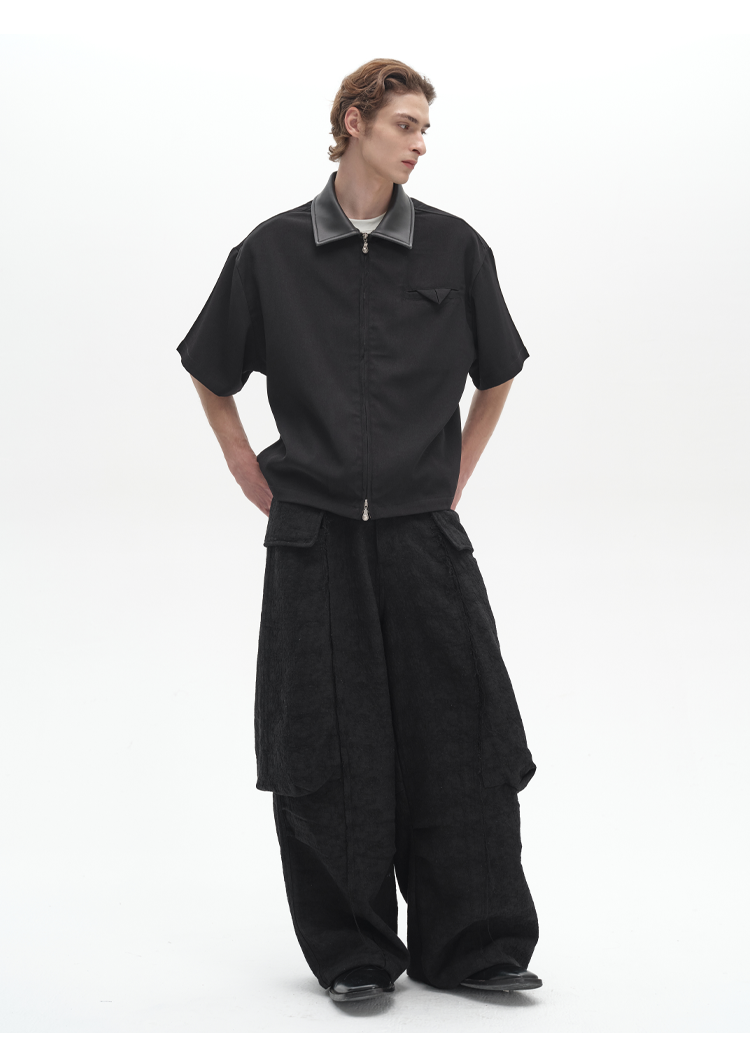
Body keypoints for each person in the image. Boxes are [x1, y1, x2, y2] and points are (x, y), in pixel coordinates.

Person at [176, 58, 542, 1005]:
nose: (421, 144)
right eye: (406, 125)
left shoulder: (454, 248)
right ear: (353, 122)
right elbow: (211, 370)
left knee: (462, 731)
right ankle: (353, 953)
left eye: (425, 129)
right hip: (316, 538)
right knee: (325, 745)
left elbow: (498, 371)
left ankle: (476, 945)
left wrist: (454, 473)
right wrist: (246, 467)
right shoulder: (273, 251)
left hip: (424, 535)